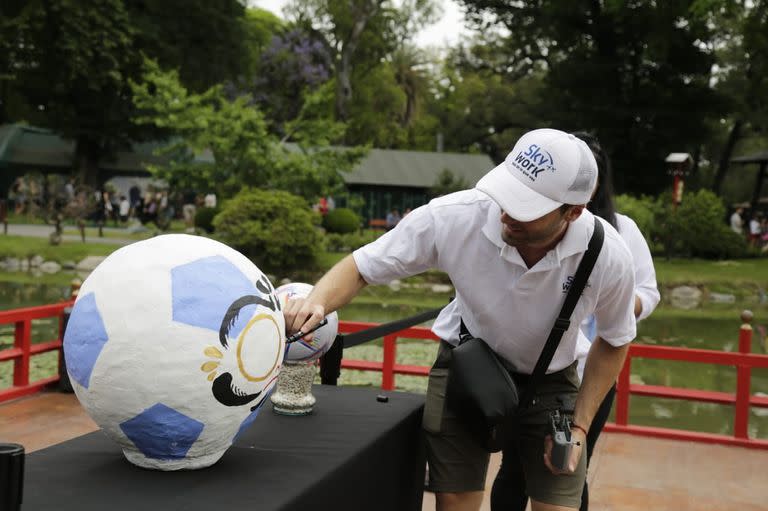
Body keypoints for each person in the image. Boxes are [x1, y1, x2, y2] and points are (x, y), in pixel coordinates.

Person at [283, 128, 637, 511]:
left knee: (560, 504)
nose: (506, 213)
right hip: (466, 368)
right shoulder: (456, 216)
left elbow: (616, 339)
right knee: (456, 504)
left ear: (573, 211)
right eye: (507, 193)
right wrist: (316, 303)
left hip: (552, 382)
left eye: (526, 208)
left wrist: (580, 426)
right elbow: (362, 267)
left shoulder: (607, 254)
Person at [490, 132, 660, 511]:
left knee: (568, 467)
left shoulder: (621, 233)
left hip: (587, 374)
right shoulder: (530, 229)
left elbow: (647, 294)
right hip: (534, 370)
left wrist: (602, 299)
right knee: (514, 466)